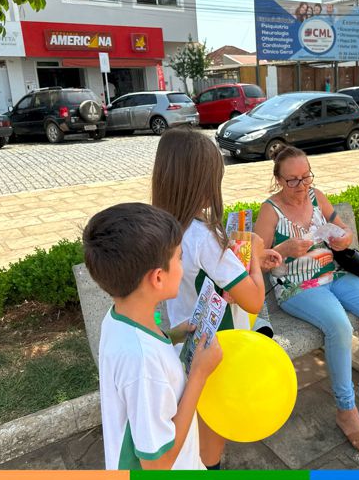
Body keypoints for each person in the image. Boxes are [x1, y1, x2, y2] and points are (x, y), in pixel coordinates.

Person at [254, 146, 359, 456]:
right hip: (296, 287)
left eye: (306, 177)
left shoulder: (316, 197)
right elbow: (256, 260)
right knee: (339, 326)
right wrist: (283, 250)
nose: (301, 186)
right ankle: (346, 411)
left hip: (333, 275)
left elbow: (342, 229)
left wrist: (344, 237)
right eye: (292, 180)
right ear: (278, 180)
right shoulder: (270, 211)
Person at [151, 127, 281, 469]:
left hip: (185, 343)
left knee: (196, 428)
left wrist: (233, 276)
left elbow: (198, 281)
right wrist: (254, 253)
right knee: (212, 438)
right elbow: (253, 301)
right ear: (203, 182)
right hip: (217, 351)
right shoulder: (205, 237)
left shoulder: (162, 227)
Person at [84, 202, 223, 470]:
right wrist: (199, 374)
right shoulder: (142, 361)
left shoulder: (118, 316)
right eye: (179, 258)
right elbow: (157, 465)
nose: (182, 265)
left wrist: (172, 335)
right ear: (158, 278)